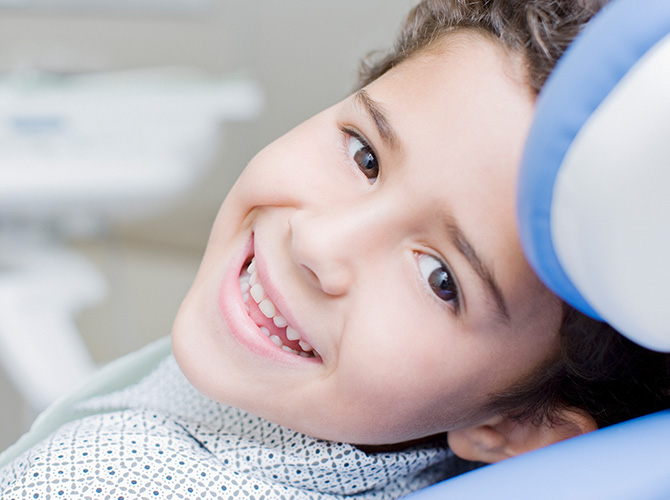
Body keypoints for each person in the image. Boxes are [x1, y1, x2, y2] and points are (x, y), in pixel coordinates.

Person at [2, 0, 670, 498]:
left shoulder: (103, 479)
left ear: (521, 427)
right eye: (365, 155)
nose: (320, 242)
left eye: (441, 278)